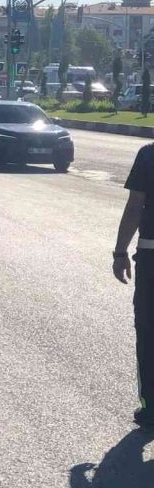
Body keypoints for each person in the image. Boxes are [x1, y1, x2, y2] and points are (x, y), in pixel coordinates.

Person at [112, 141, 154, 427]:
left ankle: (151, 406)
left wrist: (120, 251)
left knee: (149, 330)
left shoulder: (149, 155)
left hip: (152, 255)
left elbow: (135, 206)